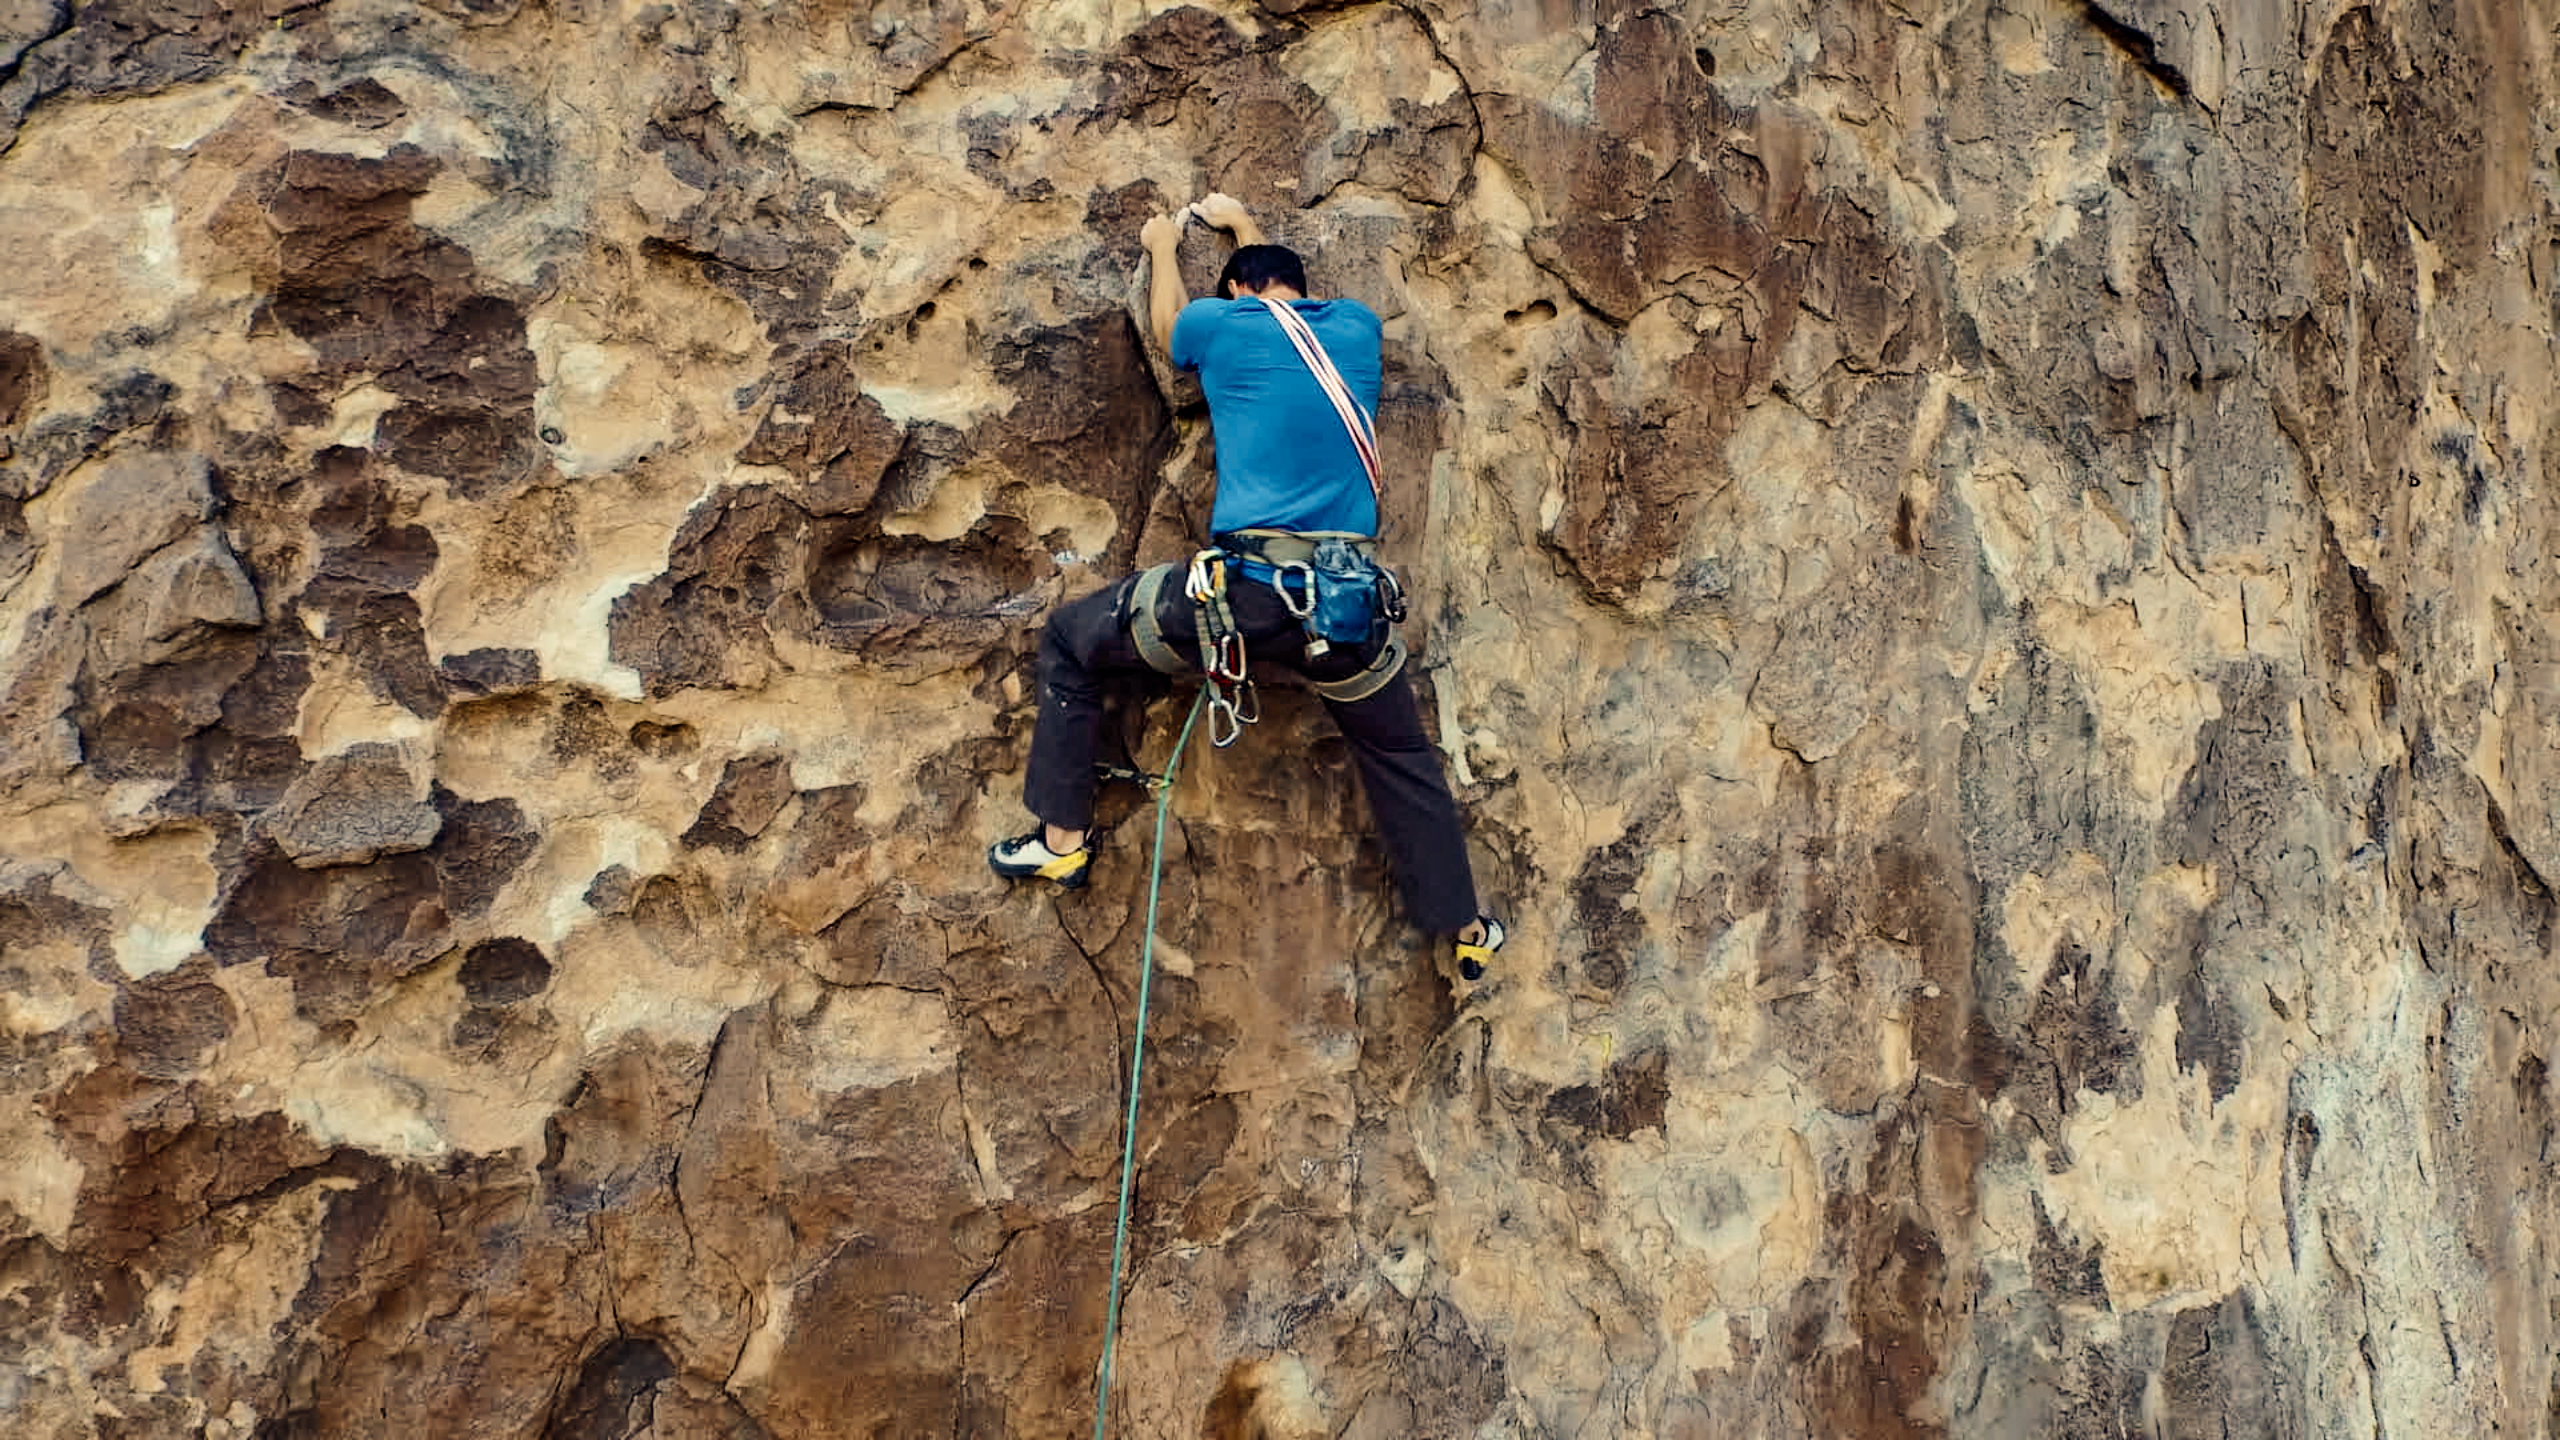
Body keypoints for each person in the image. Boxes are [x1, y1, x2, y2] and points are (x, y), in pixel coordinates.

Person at [987, 192, 1505, 979]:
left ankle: (1061, 844)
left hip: (1247, 600)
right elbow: (1282, 299)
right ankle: (1468, 930)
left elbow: (1171, 334)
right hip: (1347, 606)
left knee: (1071, 638)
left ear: (1231, 292)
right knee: (1403, 759)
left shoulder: (1221, 325)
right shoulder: (1358, 329)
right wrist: (1245, 231)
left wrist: (1164, 247)